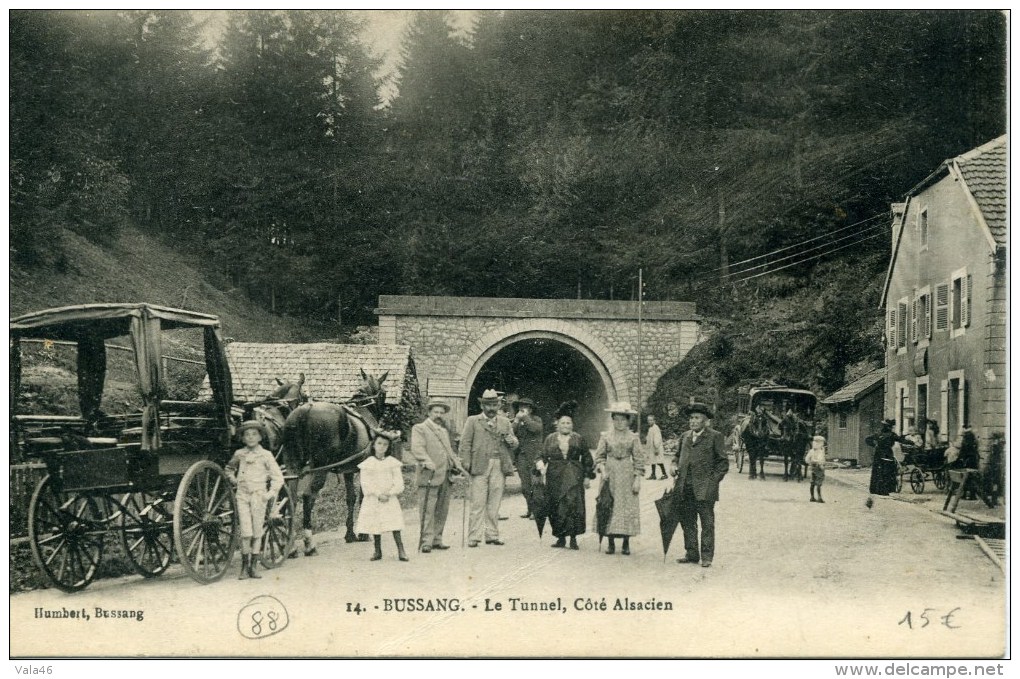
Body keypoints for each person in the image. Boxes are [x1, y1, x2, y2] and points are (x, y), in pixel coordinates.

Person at [671, 403, 728, 568]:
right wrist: (673, 466)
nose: (693, 421)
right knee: (687, 522)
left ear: (705, 421)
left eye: (697, 418)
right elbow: (675, 457)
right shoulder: (684, 436)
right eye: (691, 418)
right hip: (684, 487)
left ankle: (707, 556)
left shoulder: (715, 437)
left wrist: (712, 483)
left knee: (707, 523)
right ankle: (692, 554)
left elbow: (723, 464)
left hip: (705, 489)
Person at [459, 388, 519, 547]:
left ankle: (492, 535)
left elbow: (514, 443)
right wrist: (466, 463)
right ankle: (474, 537)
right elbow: (465, 444)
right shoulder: (473, 421)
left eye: (494, 405)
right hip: (479, 465)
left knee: (494, 503)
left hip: (499, 465)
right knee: (477, 503)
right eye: (488, 405)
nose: (492, 408)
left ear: (498, 406)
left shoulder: (505, 422)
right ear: (482, 406)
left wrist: (509, 439)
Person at [226, 421, 285, 580]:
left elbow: (277, 478)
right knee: (246, 532)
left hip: (259, 496)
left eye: (254, 434)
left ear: (260, 437)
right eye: (247, 435)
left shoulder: (266, 455)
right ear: (243, 438)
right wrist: (233, 479)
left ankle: (253, 566)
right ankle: (244, 568)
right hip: (243, 496)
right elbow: (229, 468)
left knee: (257, 531)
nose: (250, 438)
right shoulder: (239, 454)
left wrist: (269, 494)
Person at [409, 400, 465, 553]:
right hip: (429, 475)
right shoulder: (420, 428)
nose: (438, 415)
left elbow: (449, 452)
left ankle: (437, 539)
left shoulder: (443, 432)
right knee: (427, 510)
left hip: (445, 476)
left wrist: (458, 465)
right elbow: (417, 449)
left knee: (442, 509)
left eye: (441, 413)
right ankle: (426, 541)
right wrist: (426, 461)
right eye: (436, 412)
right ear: (429, 413)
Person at [538, 401, 594, 550]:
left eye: (568, 423)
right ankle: (561, 538)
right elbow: (542, 455)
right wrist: (540, 465)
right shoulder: (550, 439)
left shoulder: (578, 438)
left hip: (574, 475)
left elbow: (587, 458)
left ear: (572, 425)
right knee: (556, 506)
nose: (566, 425)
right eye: (563, 423)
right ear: (558, 424)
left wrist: (588, 476)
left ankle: (573, 538)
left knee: (573, 506)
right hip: (554, 476)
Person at [594, 402, 645, 556]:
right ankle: (610, 542)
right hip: (609, 474)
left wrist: (637, 479)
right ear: (612, 420)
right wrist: (603, 470)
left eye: (623, 419)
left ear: (628, 420)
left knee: (626, 507)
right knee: (608, 504)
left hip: (626, 474)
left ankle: (625, 542)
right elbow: (599, 456)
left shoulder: (633, 438)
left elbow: (639, 460)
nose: (619, 423)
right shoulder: (606, 436)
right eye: (616, 419)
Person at [356, 435, 409, 562]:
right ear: (373, 445)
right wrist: (378, 494)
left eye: (385, 444)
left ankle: (401, 550)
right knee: (375, 522)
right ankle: (377, 550)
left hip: (389, 498)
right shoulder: (368, 464)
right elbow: (365, 483)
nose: (382, 447)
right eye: (379, 443)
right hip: (374, 498)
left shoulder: (392, 463)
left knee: (394, 523)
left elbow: (399, 483)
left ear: (388, 447)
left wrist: (389, 493)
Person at [512, 397, 544, 519]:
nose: (522, 409)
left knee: (536, 484)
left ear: (530, 409)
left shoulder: (537, 420)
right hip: (522, 456)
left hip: (536, 456)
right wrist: (516, 420)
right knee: (525, 486)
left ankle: (537, 511)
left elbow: (534, 429)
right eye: (520, 406)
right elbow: (511, 432)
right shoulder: (518, 421)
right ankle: (530, 509)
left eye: (525, 406)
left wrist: (524, 418)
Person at [865, 419, 905, 497]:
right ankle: (885, 490)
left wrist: (874, 445)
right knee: (887, 472)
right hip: (887, 454)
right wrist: (912, 442)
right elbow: (901, 440)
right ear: (889, 427)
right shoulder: (892, 435)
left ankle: (876, 489)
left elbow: (867, 439)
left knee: (878, 472)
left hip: (879, 454)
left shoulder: (879, 434)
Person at [805, 435, 827, 503]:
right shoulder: (821, 451)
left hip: (812, 467)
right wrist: (821, 464)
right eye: (822, 443)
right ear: (820, 443)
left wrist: (811, 462)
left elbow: (806, 459)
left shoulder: (811, 451)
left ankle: (812, 497)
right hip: (819, 468)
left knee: (812, 482)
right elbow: (821, 459)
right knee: (819, 483)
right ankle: (819, 498)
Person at [645, 414, 668, 480]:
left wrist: (656, 448)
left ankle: (664, 474)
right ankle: (653, 474)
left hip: (656, 448)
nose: (650, 421)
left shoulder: (656, 428)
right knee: (653, 461)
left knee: (659, 461)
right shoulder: (650, 428)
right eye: (648, 420)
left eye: (651, 420)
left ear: (654, 421)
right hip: (652, 448)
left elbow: (657, 439)